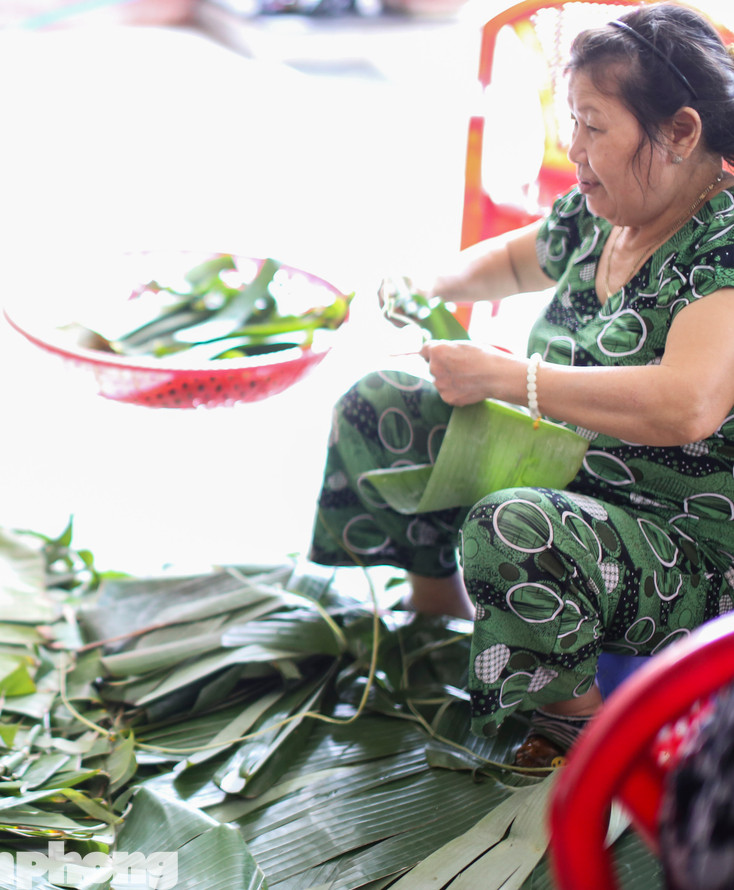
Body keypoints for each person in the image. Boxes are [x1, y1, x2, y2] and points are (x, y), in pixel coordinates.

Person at [309, 3, 734, 768]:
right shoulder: (603, 211)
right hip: (563, 472)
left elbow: (689, 405)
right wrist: (420, 283)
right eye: (572, 121)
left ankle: (578, 729)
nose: (574, 148)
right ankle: (436, 620)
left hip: (683, 542)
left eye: (593, 126)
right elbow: (511, 262)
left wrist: (514, 380)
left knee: (515, 528)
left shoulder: (723, 245)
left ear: (680, 132)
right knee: (381, 406)